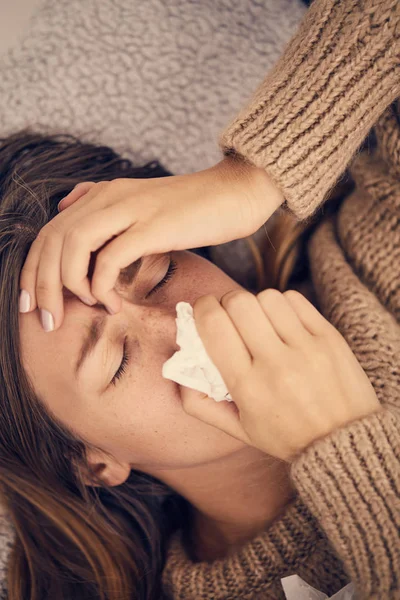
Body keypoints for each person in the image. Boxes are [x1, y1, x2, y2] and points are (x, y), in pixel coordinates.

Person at [0, 1, 398, 600]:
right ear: (94, 463)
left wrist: (252, 177)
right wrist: (346, 457)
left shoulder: (371, 265)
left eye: (160, 276)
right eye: (119, 362)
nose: (182, 325)